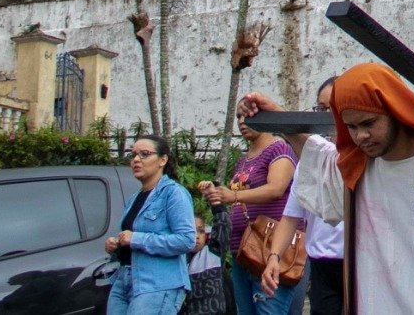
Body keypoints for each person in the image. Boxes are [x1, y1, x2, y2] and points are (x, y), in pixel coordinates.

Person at [265, 62, 414, 315]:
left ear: (394, 109)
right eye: (351, 127)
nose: (360, 136)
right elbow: (318, 160)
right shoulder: (358, 169)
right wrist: (276, 115)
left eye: (368, 123)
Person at [253, 80, 346, 315]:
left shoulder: (369, 157)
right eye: (321, 109)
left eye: (332, 108)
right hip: (322, 266)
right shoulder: (311, 161)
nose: (326, 117)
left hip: (359, 265)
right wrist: (274, 257)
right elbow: (291, 216)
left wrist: (275, 111)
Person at [201, 119, 298, 315]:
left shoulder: (279, 149)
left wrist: (233, 195)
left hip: (269, 249)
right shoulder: (244, 159)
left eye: (248, 117)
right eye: (238, 117)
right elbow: (238, 199)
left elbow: (276, 188)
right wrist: (218, 195)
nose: (242, 122)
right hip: (243, 251)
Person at [105, 136, 196, 315]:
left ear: (163, 160)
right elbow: (131, 239)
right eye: (134, 155)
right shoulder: (134, 198)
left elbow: (186, 240)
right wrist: (115, 244)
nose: (136, 160)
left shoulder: (173, 193)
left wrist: (136, 238)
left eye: (145, 154)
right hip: (124, 279)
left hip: (157, 284)